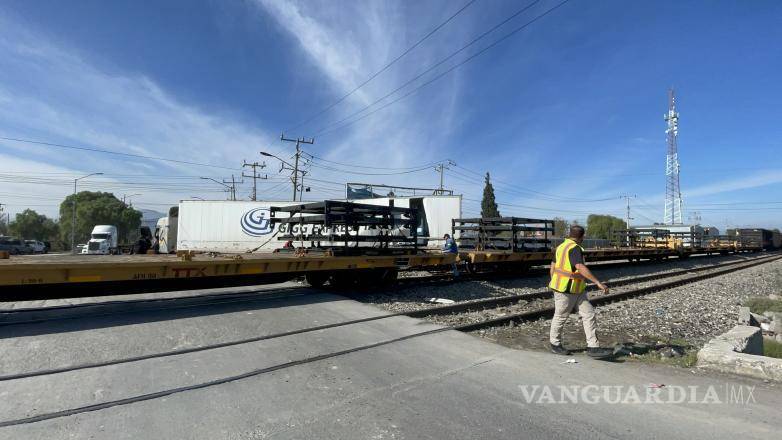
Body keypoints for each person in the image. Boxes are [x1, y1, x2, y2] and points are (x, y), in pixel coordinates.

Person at [548, 225, 613, 357]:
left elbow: (552, 267)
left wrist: (554, 281)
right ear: (582, 237)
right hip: (565, 290)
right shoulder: (575, 248)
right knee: (560, 316)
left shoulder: (561, 247)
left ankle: (593, 347)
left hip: (577, 289)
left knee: (589, 314)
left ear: (569, 234)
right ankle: (554, 344)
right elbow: (580, 267)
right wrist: (597, 282)